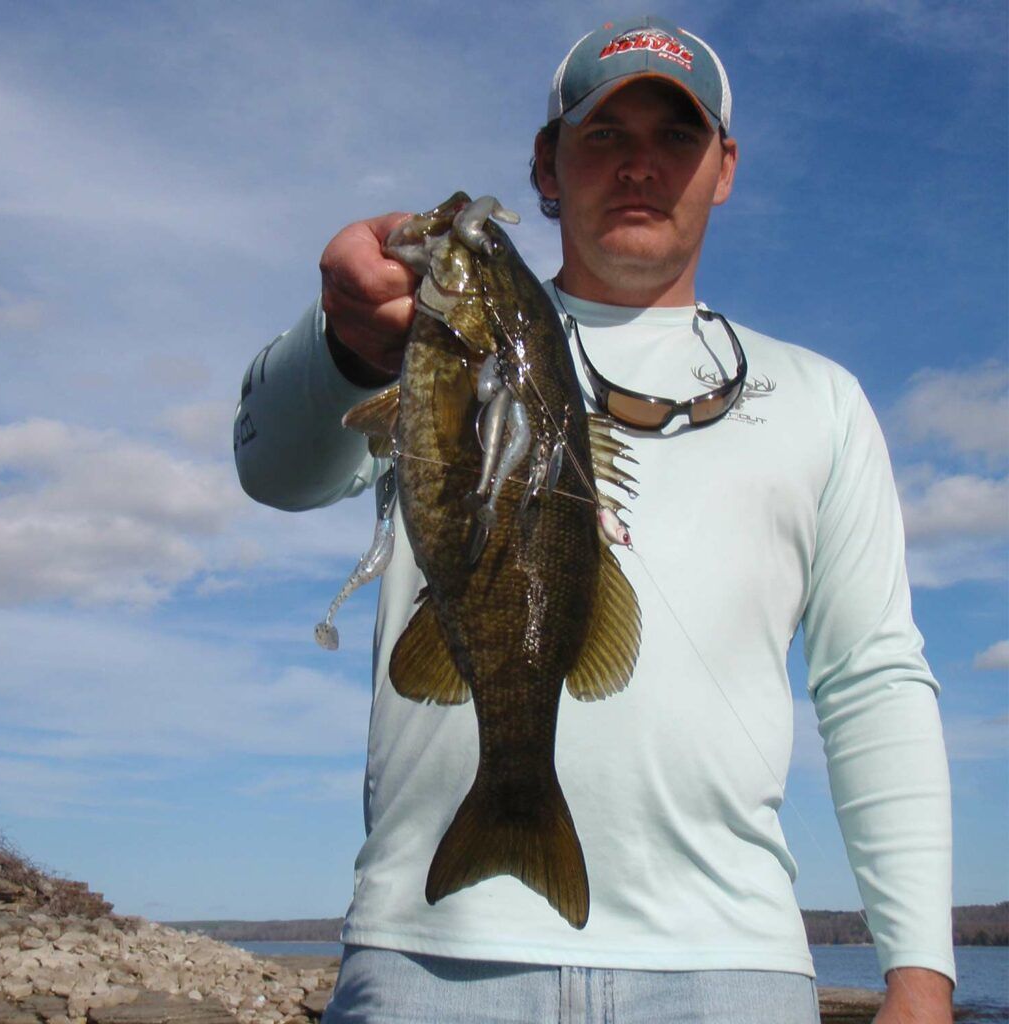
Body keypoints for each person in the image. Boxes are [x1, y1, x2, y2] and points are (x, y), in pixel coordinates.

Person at [235, 16, 955, 1024]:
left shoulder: (822, 399)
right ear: (546, 162)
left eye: (675, 137)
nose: (639, 167)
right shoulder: (428, 339)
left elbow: (873, 678)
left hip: (732, 964)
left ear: (725, 169)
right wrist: (349, 343)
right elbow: (275, 468)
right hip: (429, 951)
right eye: (604, 135)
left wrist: (919, 974)